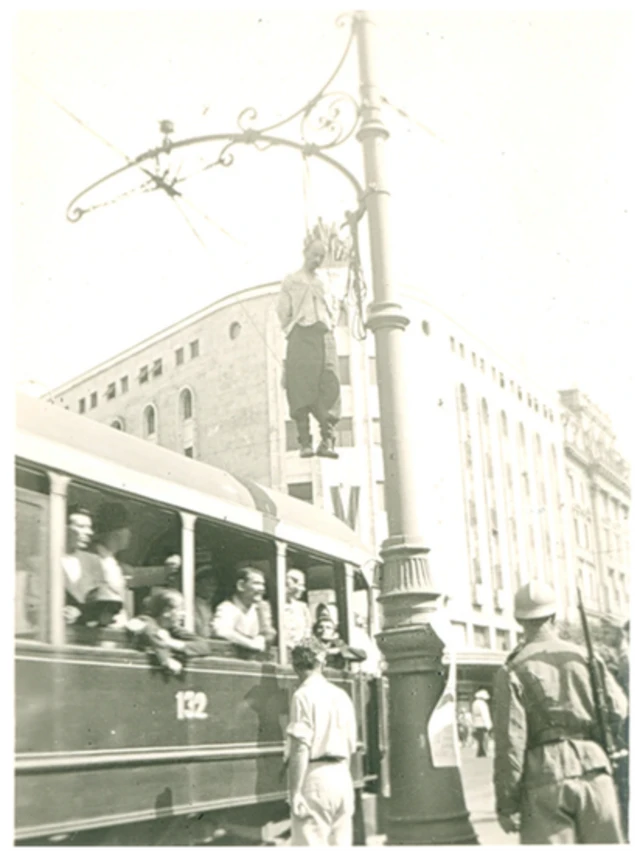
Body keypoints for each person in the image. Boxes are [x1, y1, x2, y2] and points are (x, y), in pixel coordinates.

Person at [492, 580, 628, 845]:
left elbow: (510, 745)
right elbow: (620, 710)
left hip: (544, 776)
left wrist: (507, 804)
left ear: (519, 620)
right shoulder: (586, 657)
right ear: (554, 616)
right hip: (595, 766)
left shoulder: (512, 670)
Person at [287, 638, 358, 852]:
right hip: (342, 777)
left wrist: (295, 792)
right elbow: (351, 744)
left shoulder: (302, 695)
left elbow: (300, 747)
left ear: (295, 665)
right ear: (322, 663)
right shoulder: (341, 695)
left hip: (315, 777)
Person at [276, 237, 342, 459]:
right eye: (314, 255)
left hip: (323, 335)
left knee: (329, 381)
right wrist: (294, 325)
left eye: (322, 257)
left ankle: (328, 440)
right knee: (300, 385)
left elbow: (334, 306)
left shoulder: (325, 282)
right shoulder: (291, 281)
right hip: (300, 335)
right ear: (305, 252)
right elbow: (283, 313)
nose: (318, 260)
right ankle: (305, 441)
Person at [127, 588, 213, 675]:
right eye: (180, 609)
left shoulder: (174, 629)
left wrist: (171, 642)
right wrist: (166, 660)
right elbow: (152, 632)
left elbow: (204, 646)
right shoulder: (145, 621)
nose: (184, 614)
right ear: (166, 611)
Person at [211, 566, 276, 654]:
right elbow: (221, 631)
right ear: (241, 585)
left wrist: (263, 637)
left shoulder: (260, 609)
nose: (262, 588)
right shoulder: (227, 607)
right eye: (256, 583)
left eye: (263, 584)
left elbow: (268, 634)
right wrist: (251, 644)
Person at [62, 505, 106, 625]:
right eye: (81, 527)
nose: (89, 532)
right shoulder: (39, 561)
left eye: (89, 527)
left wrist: (81, 613)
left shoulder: (93, 561)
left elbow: (103, 603)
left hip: (85, 636)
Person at [283, 568, 312, 651]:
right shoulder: (276, 606)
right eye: (300, 585)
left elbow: (307, 634)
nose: (303, 589)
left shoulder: (303, 608)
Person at [193, 564, 219, 639]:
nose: (212, 589)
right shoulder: (191, 606)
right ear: (197, 585)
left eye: (214, 585)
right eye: (208, 584)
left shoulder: (211, 605)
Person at [471, 689, 492, 757]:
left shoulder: (474, 703)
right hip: (483, 723)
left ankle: (480, 752)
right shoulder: (482, 704)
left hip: (477, 723)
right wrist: (488, 724)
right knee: (485, 739)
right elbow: (485, 714)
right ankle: (484, 752)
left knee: (480, 739)